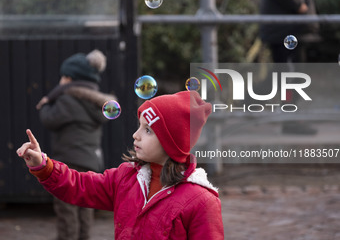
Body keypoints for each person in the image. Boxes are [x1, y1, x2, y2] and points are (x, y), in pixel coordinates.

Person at [17, 91, 224, 239]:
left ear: (172, 142)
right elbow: (80, 186)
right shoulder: (125, 178)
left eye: (148, 130)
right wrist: (43, 166)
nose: (136, 135)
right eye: (139, 127)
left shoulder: (202, 201)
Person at [36, 49, 117, 240]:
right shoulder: (97, 104)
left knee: (66, 205)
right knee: (85, 204)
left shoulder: (67, 99)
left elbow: (49, 119)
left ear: (71, 79)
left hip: (68, 160)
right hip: (91, 161)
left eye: (64, 77)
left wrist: (46, 105)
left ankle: (68, 237)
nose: (61, 81)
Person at [259, 0, 319, 134]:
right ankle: (290, 120)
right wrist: (299, 4)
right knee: (291, 76)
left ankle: (249, 102)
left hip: (290, 28)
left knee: (284, 75)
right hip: (285, 29)